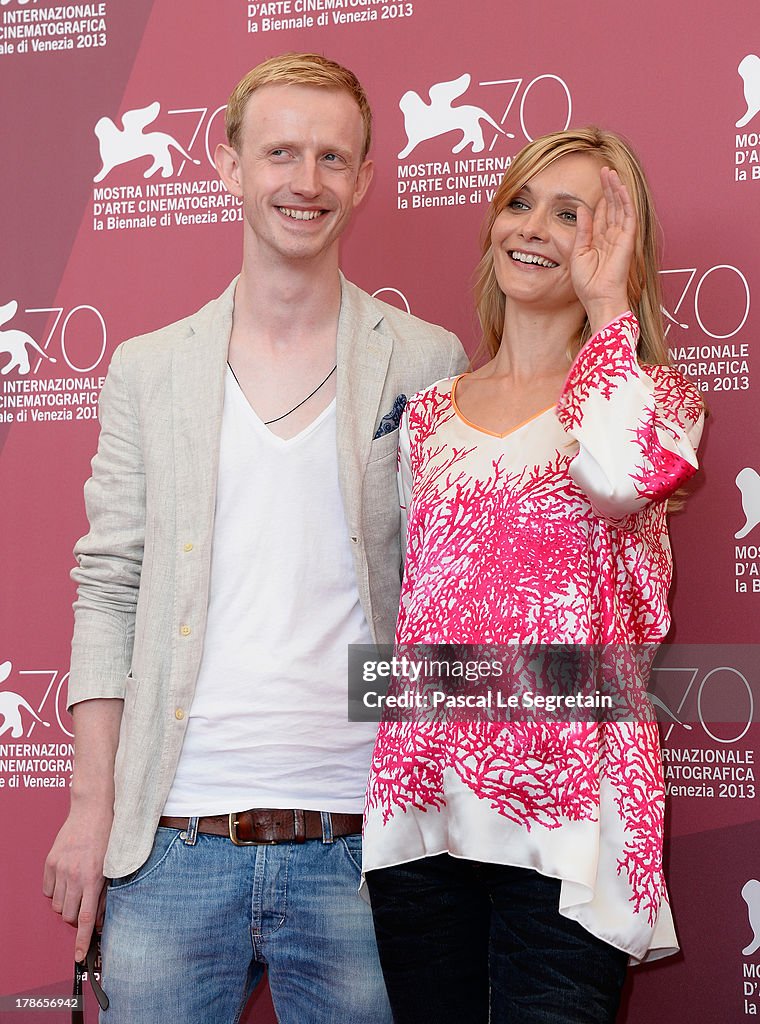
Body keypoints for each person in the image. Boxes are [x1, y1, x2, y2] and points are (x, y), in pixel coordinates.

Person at [42, 52, 466, 1023]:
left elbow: (443, 592)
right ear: (229, 165)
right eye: (280, 152)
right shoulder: (148, 371)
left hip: (364, 848)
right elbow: (110, 586)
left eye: (330, 157)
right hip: (172, 846)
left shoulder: (424, 357)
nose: (303, 182)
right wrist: (89, 807)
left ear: (362, 178)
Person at [362, 127, 704, 1023]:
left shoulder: (656, 400)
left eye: (572, 216)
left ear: (619, 246)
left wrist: (607, 307)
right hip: (422, 816)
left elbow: (620, 478)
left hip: (573, 828)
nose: (537, 229)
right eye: (521, 202)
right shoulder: (427, 416)